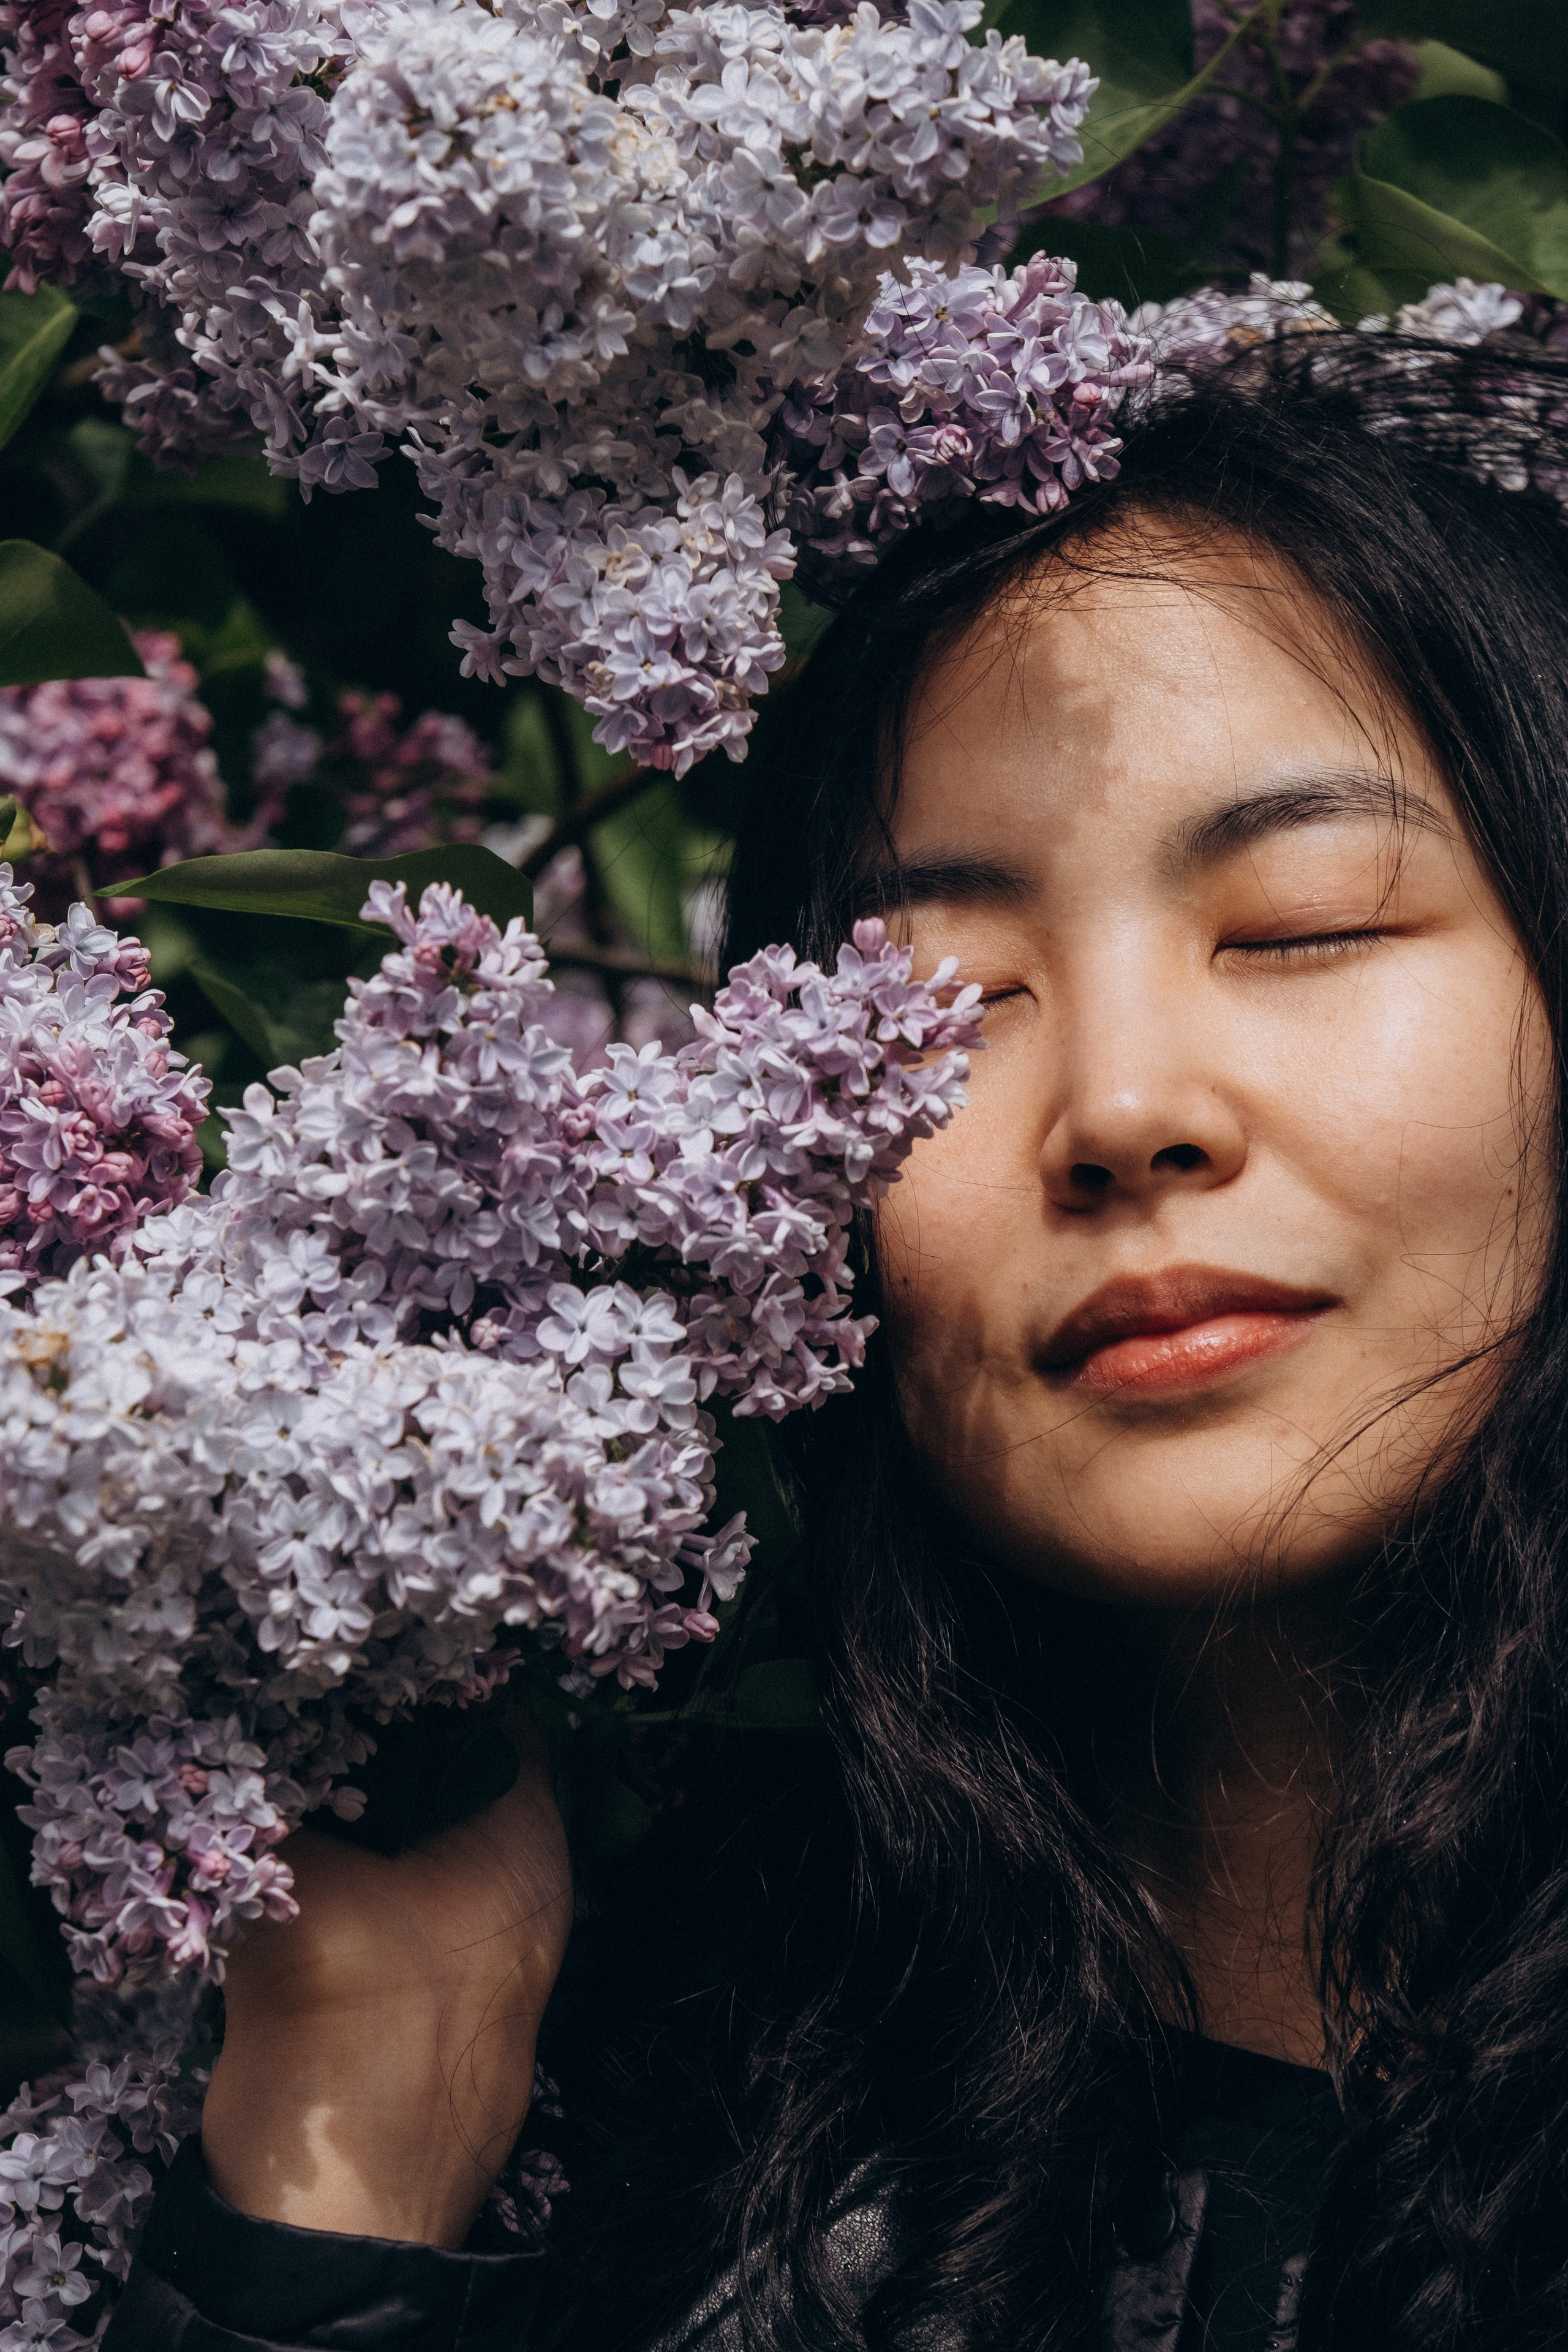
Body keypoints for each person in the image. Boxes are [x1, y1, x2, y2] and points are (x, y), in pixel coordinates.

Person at [103, 328, 1568, 2352]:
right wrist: (363, 2131)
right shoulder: (729, 2197)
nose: (1127, 1107)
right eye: (945, 1000)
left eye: (1303, 918)